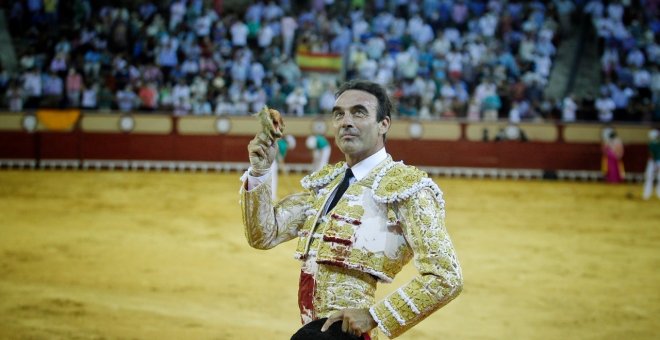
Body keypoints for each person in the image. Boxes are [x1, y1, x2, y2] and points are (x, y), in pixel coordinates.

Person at [240, 80, 463, 339]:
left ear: (384, 124)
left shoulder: (408, 188)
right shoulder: (327, 183)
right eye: (339, 114)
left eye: (359, 112)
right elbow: (264, 234)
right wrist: (260, 171)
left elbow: (446, 276)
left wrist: (375, 316)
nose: (346, 121)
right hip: (312, 331)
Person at [642, 129, 660, 200]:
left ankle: (647, 194)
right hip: (657, 162)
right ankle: (658, 193)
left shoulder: (651, 144)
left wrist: (655, 162)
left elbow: (651, 154)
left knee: (649, 178)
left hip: (652, 162)